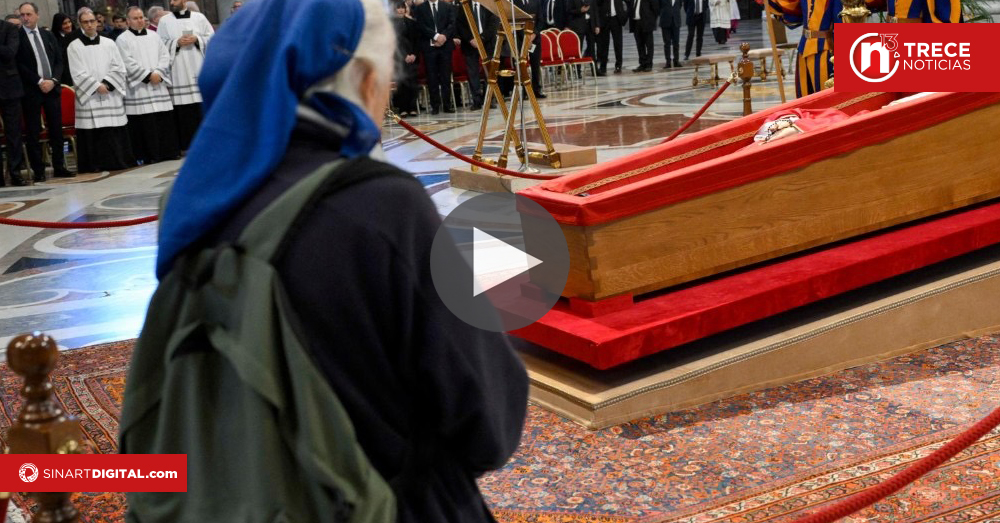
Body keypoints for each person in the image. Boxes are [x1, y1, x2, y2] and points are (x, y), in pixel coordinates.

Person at [122, 0, 528, 521]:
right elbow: (490, 423)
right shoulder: (383, 207)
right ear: (360, 80)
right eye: (387, 76)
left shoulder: (191, 201)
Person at [68, 7, 135, 173]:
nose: (90, 25)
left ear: (97, 22)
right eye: (85, 22)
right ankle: (94, 164)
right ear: (80, 24)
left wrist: (108, 84)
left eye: (92, 21)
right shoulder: (73, 46)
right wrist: (97, 86)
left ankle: (117, 161)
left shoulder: (109, 43)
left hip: (109, 94)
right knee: (93, 131)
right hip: (90, 97)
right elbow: (77, 72)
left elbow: (119, 67)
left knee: (112, 130)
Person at [16, 1, 74, 182]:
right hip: (32, 90)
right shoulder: (17, 37)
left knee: (56, 130)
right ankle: (38, 169)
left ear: (37, 15)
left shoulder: (47, 35)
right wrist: (40, 81)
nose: (25, 18)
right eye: (22, 15)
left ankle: (59, 166)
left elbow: (58, 60)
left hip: (52, 88)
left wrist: (54, 80)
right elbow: (20, 65)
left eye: (28, 14)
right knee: (33, 132)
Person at [116, 6, 179, 165]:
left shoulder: (154, 36)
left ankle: (168, 152)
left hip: (158, 84)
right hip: (139, 88)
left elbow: (165, 56)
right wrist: (148, 76)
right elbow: (127, 62)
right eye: (135, 18)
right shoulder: (122, 39)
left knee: (162, 120)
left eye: (141, 17)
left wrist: (158, 72)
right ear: (128, 21)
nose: (140, 21)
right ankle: (149, 154)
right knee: (145, 123)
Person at [157, 0, 214, 149]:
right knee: (184, 111)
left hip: (198, 64)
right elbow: (160, 44)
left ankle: (208, 142)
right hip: (179, 69)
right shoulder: (164, 21)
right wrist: (176, 42)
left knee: (201, 106)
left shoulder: (199, 17)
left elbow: (213, 38)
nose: (172, 2)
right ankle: (187, 144)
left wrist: (197, 39)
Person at [413, 0, 456, 113]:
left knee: (446, 76)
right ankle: (435, 106)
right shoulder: (420, 8)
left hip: (445, 46)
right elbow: (420, 25)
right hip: (429, 47)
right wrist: (436, 36)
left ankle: (447, 105)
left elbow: (452, 23)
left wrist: (444, 37)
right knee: (432, 77)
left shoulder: (447, 6)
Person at [454, 0, 497, 108]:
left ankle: (489, 99)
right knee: (473, 74)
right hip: (470, 45)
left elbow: (493, 24)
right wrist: (470, 39)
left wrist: (481, 39)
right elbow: (460, 25)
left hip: (487, 44)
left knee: (489, 73)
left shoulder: (489, 5)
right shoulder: (464, 6)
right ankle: (476, 100)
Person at [0, 18, 25, 186]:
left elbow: (9, 52)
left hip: (9, 87)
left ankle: (15, 172)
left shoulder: (9, 28)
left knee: (13, 133)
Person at [392, 0, 420, 116]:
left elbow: (417, 41)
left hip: (412, 58)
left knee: (413, 82)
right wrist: (404, 56)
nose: (400, 10)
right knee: (402, 83)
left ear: (405, 9)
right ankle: (403, 108)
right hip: (399, 58)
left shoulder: (412, 23)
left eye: (402, 8)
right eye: (398, 8)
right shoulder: (391, 25)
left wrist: (414, 54)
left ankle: (412, 107)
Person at [595, 0, 626, 75]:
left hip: (616, 19)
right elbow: (597, 3)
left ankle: (618, 66)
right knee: (604, 45)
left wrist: (624, 15)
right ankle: (603, 67)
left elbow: (628, 3)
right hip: (604, 19)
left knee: (618, 44)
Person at [629, 0, 659, 72]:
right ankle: (642, 63)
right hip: (636, 23)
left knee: (649, 45)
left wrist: (651, 20)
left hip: (647, 23)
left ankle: (649, 64)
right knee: (640, 45)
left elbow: (656, 9)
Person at [51, 13, 77, 86]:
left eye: (69, 22)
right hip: (64, 76)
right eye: (64, 23)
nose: (68, 25)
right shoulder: (54, 39)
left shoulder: (76, 36)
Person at [659, 0, 681, 68]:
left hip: (676, 21)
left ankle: (676, 61)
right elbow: (658, 7)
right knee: (667, 43)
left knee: (676, 43)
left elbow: (680, 6)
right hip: (665, 22)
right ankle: (668, 62)